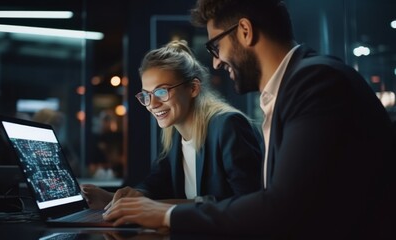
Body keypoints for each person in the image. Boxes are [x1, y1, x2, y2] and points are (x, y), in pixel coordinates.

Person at [103, 0, 396, 238]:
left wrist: (166, 213)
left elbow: (282, 207)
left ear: (245, 30)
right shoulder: (292, 88)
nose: (216, 62)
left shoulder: (315, 81)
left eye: (215, 46)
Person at [81, 40, 262, 210]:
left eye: (161, 91)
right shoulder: (175, 135)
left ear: (193, 88)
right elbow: (157, 182)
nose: (152, 104)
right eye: (146, 95)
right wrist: (114, 199)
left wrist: (157, 209)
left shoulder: (228, 126)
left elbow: (248, 206)